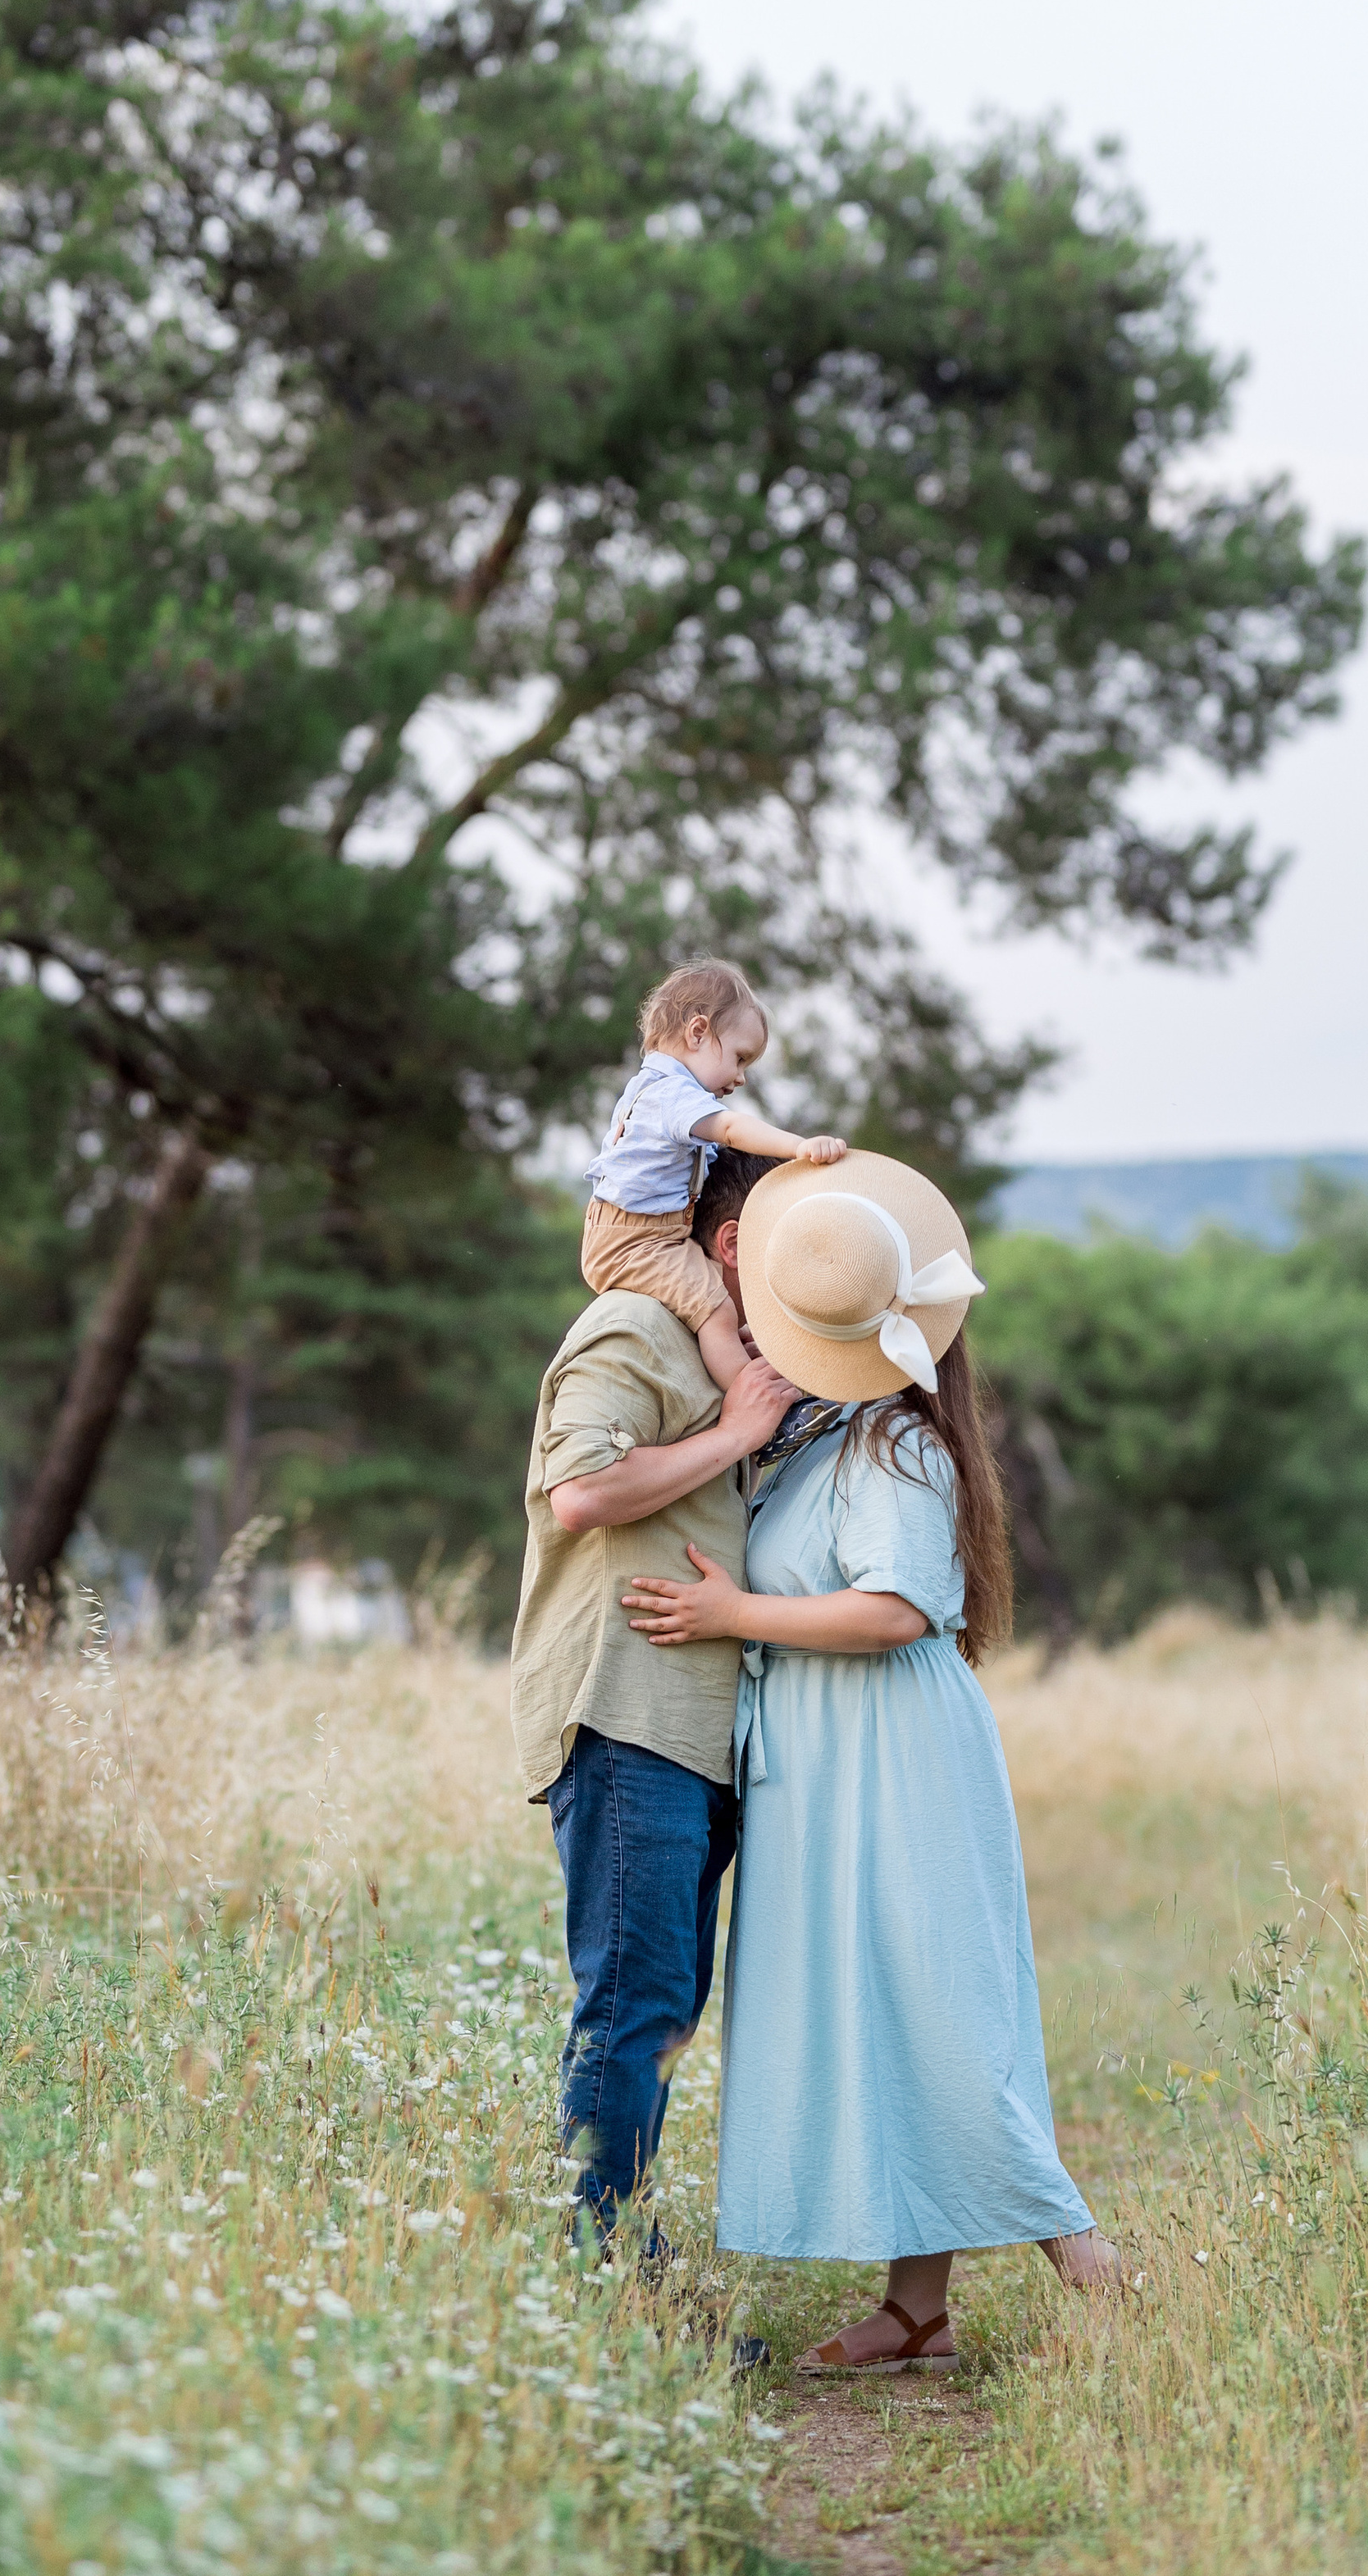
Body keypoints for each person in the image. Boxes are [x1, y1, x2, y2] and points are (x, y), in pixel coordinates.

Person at [622, 1151, 1119, 2367]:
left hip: (888, 1751)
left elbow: (894, 1610)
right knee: (892, 2003)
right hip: (832, 1751)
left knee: (934, 2003)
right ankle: (918, 2311)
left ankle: (1095, 2269)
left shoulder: (891, 1441)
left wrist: (731, 1613)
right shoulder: (822, 1434)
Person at [511, 1146, 797, 2243]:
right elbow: (581, 1489)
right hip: (626, 1716)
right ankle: (598, 2263)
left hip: (689, 1730)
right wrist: (735, 1436)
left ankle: (620, 2249)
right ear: (731, 1245)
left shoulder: (726, 1357)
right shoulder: (632, 1325)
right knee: (633, 2005)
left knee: (666, 2006)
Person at [579, 958, 852, 1397]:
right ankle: (757, 1404)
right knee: (717, 1312)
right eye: (740, 1058)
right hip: (638, 1242)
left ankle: (740, 1364)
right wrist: (799, 1147)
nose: (741, 1077)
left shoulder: (650, 1088)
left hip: (637, 1233)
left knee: (715, 1298)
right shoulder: (674, 1095)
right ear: (698, 1033)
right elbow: (730, 1129)